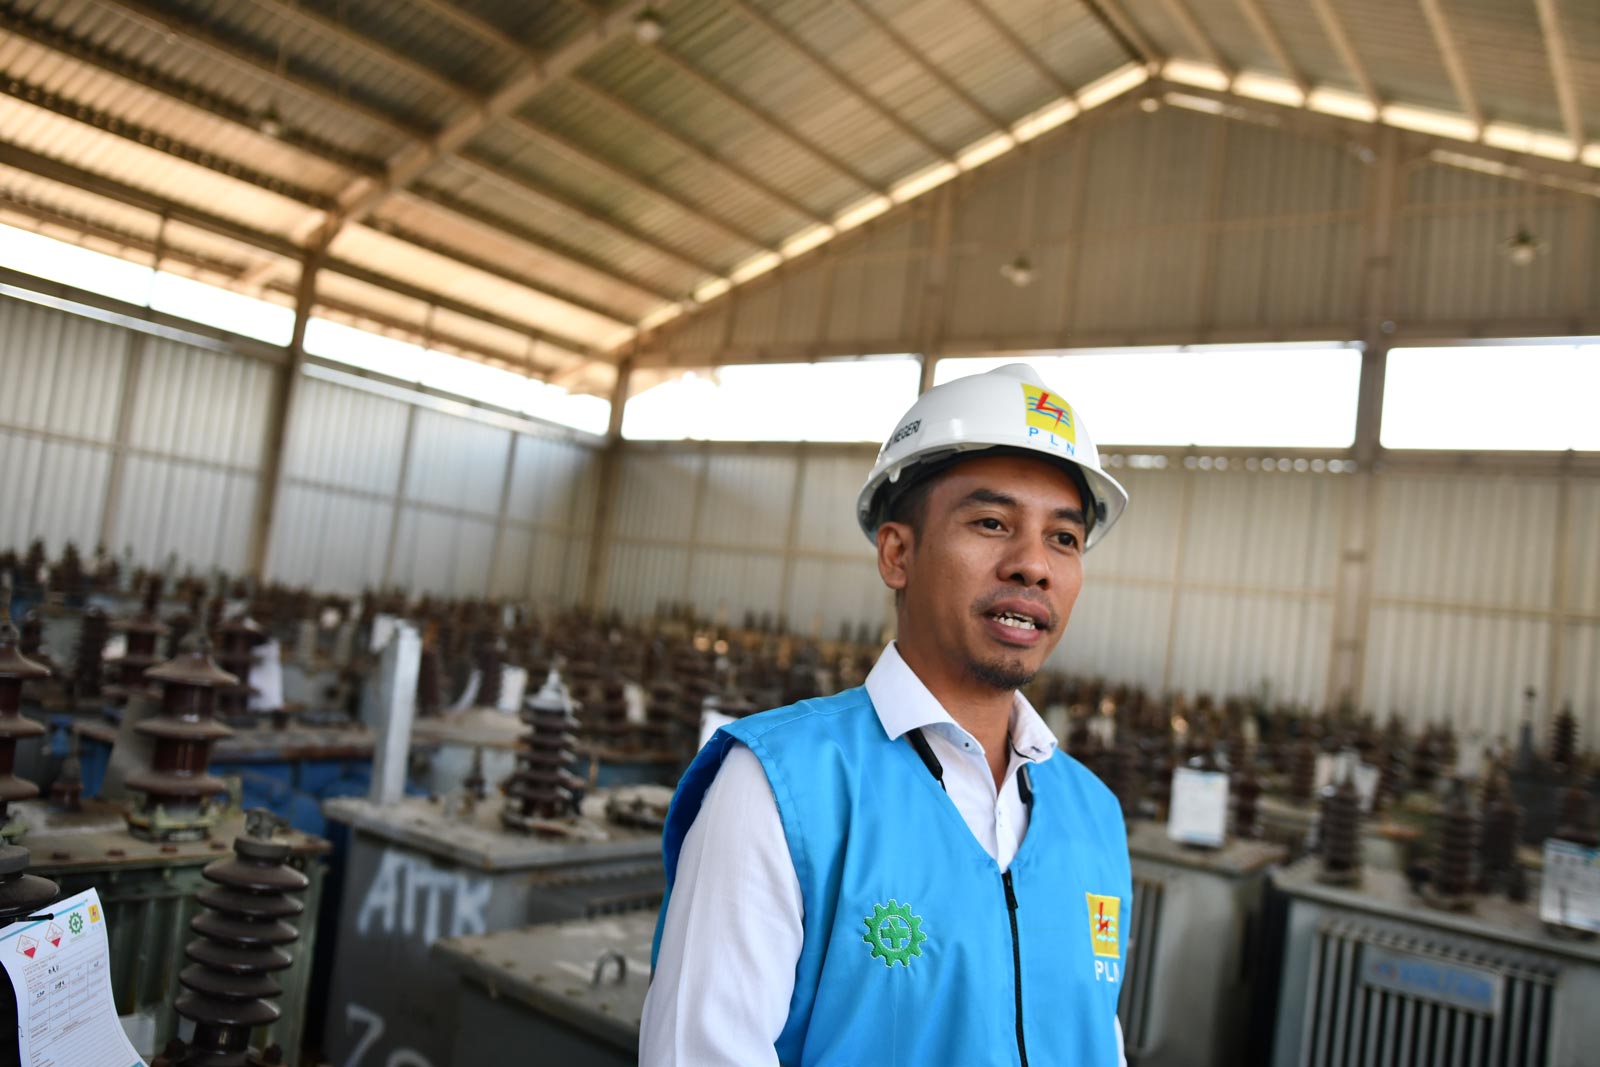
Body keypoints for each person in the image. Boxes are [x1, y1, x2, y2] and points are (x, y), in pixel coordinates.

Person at [641, 363, 1133, 1066]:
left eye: (1064, 538)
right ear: (897, 552)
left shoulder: (1095, 817)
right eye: (992, 522)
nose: (1034, 565)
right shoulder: (781, 790)